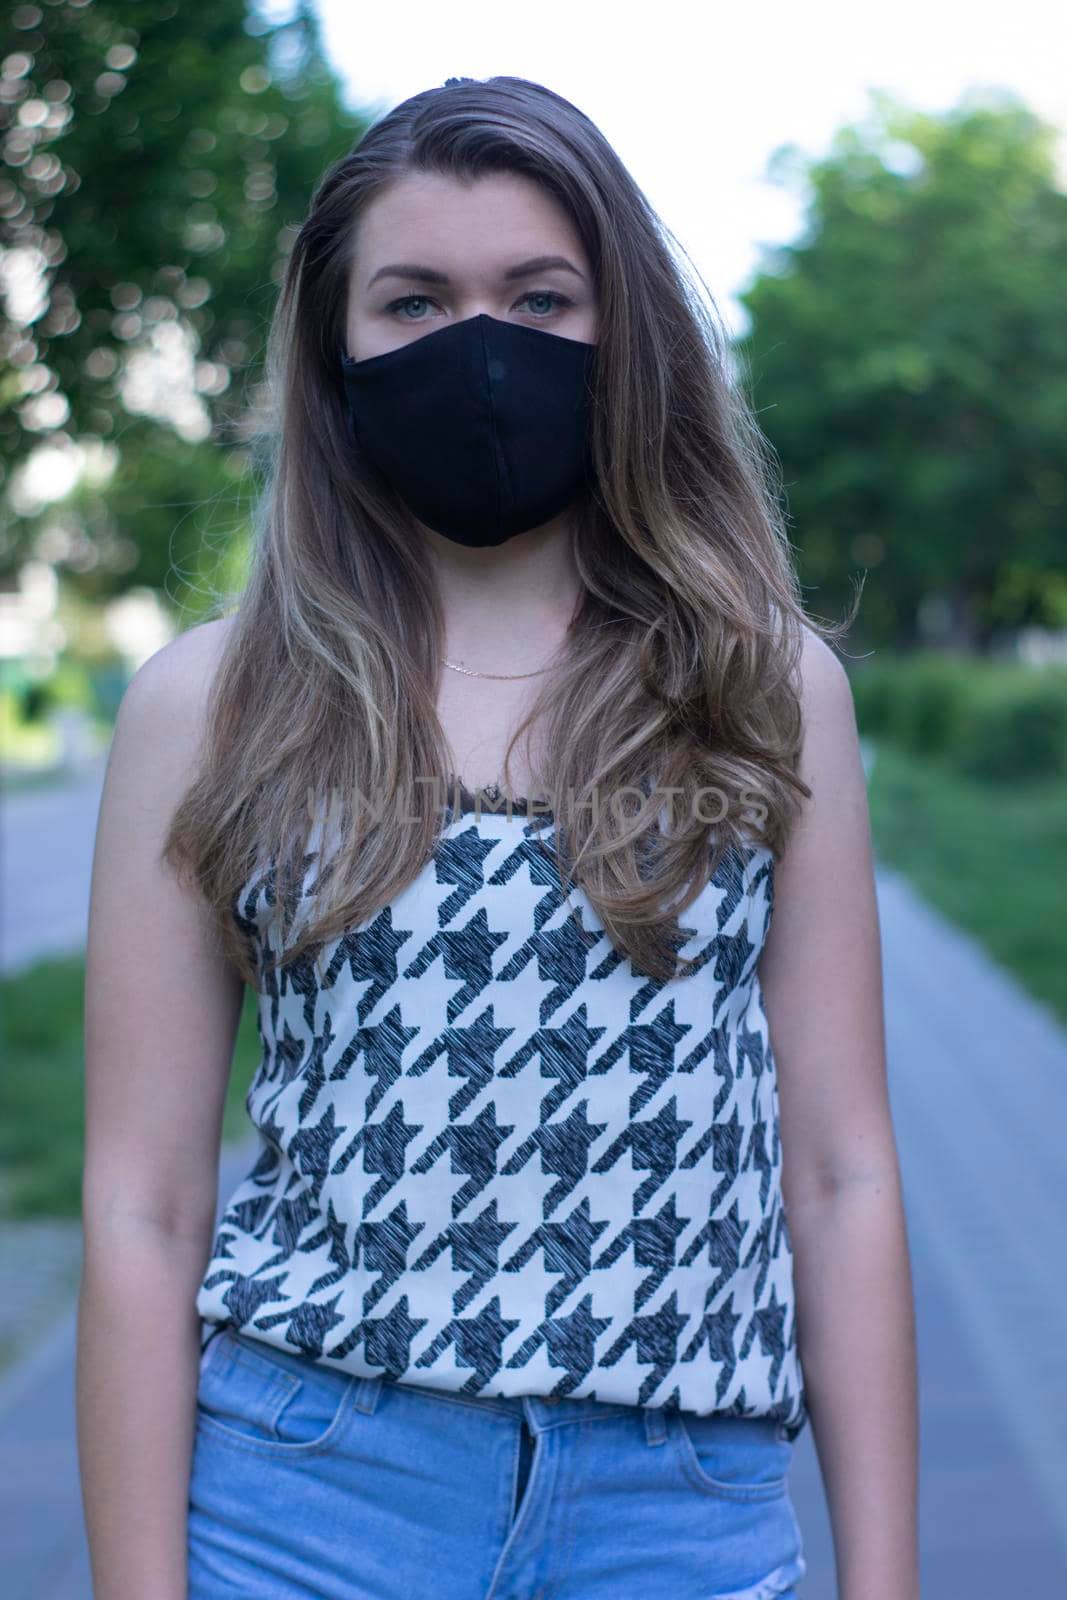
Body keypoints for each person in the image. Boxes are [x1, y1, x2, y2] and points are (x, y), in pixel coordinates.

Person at [78, 75, 919, 1600]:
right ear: (335, 352)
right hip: (307, 1504)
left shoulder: (765, 684)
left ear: (629, 338)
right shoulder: (209, 704)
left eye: (542, 298)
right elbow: (145, 1206)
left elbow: (841, 1169)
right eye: (414, 303)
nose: (482, 350)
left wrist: (889, 1575)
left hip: (679, 1509)